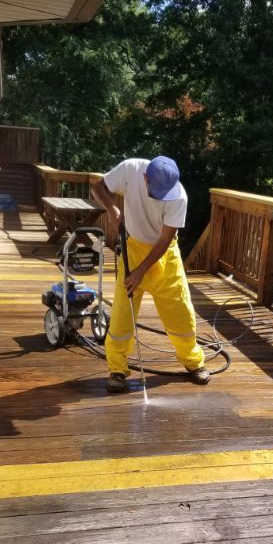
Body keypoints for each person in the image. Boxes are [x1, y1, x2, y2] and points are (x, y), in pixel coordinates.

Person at [91, 156, 210, 393]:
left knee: (181, 313)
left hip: (165, 256)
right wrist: (113, 209)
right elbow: (98, 187)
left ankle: (193, 362)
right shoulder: (130, 170)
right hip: (132, 249)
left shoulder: (179, 197)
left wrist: (140, 272)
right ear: (145, 177)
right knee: (122, 315)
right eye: (157, 191)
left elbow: (165, 241)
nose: (161, 197)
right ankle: (117, 369)